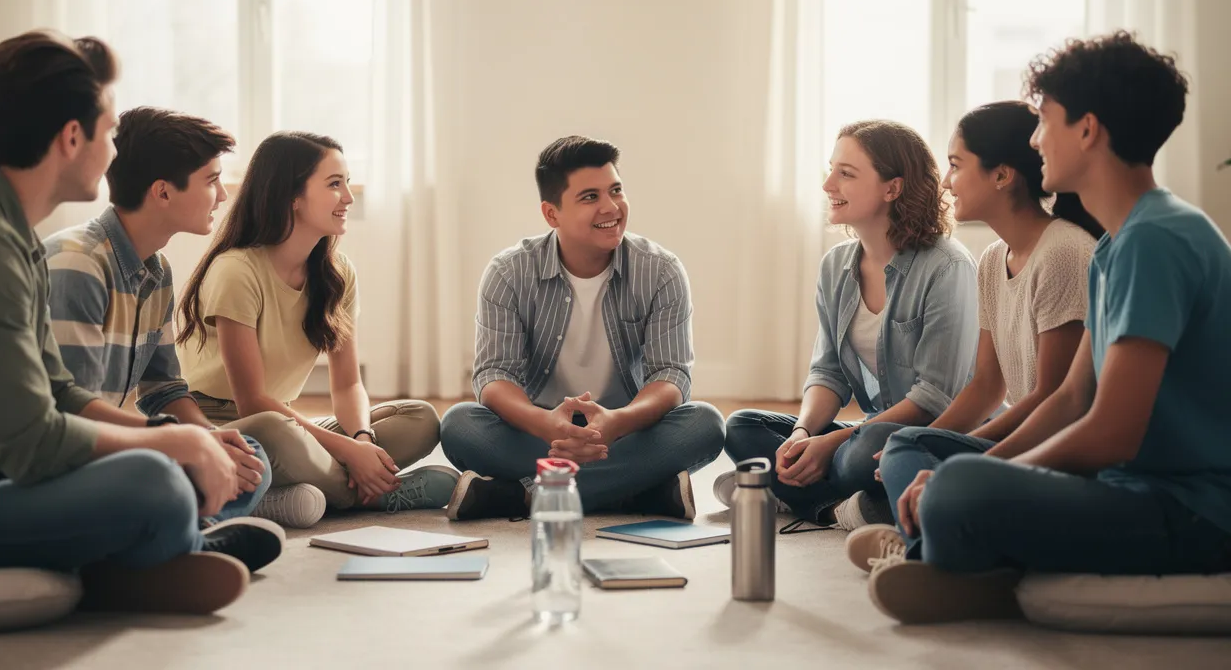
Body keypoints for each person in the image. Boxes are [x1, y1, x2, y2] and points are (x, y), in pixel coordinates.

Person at [0, 31, 277, 615]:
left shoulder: (4, 234)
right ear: (73, 137)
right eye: (108, 129)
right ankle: (156, 553)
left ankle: (148, 556)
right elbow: (32, 443)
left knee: (205, 458)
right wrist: (168, 442)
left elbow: (59, 391)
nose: (115, 151)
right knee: (158, 484)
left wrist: (181, 438)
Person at [866, 31, 1231, 625]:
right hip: (1131, 489)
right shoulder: (1120, 242)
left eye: (1045, 121)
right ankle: (949, 554)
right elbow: (1070, 398)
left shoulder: (1156, 242)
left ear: (1087, 130)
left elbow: (1112, 433)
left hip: (1188, 511)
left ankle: (949, 560)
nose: (1035, 141)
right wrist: (970, 467)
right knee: (946, 473)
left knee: (959, 490)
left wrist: (973, 477)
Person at [845, 101, 1100, 572]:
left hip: (1053, 448)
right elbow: (986, 386)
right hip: (1021, 433)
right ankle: (935, 530)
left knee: (911, 451)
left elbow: (1055, 397)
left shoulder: (1064, 252)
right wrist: (932, 442)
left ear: (1002, 176)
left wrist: (966, 463)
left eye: (957, 166)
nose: (945, 181)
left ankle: (928, 554)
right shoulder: (991, 260)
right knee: (904, 444)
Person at [439, 135, 725, 521]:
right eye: (590, 197)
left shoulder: (661, 270)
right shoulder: (508, 272)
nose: (611, 207)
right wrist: (546, 424)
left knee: (705, 423)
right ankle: (634, 492)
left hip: (627, 430)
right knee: (459, 424)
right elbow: (493, 375)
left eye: (616, 190)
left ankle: (525, 496)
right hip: (538, 430)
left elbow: (671, 375)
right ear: (551, 214)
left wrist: (617, 422)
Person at [177, 131, 456, 523]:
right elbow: (252, 402)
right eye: (334, 184)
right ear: (291, 196)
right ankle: (368, 497)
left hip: (289, 423)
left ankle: (302, 490)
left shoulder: (338, 274)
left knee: (420, 418)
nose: (348, 197)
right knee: (277, 431)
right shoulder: (237, 271)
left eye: (346, 182)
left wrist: (361, 440)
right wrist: (346, 453)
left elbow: (346, 385)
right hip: (228, 423)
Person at [720, 120, 978, 531]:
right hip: (870, 430)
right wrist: (804, 433)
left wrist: (833, 443)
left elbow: (934, 399)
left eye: (846, 173)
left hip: (926, 437)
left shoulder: (948, 266)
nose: (827, 185)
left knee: (864, 451)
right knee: (742, 427)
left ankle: (790, 493)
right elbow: (829, 372)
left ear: (892, 188)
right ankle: (845, 507)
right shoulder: (836, 265)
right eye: (831, 169)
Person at [45, 106, 291, 525]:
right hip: (73, 455)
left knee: (248, 452)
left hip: (120, 444)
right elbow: (74, 413)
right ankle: (194, 530)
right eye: (211, 180)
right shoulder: (78, 263)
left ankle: (190, 526)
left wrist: (207, 439)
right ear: (163, 192)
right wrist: (176, 442)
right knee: (163, 473)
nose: (224, 195)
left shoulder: (156, 271)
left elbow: (164, 390)